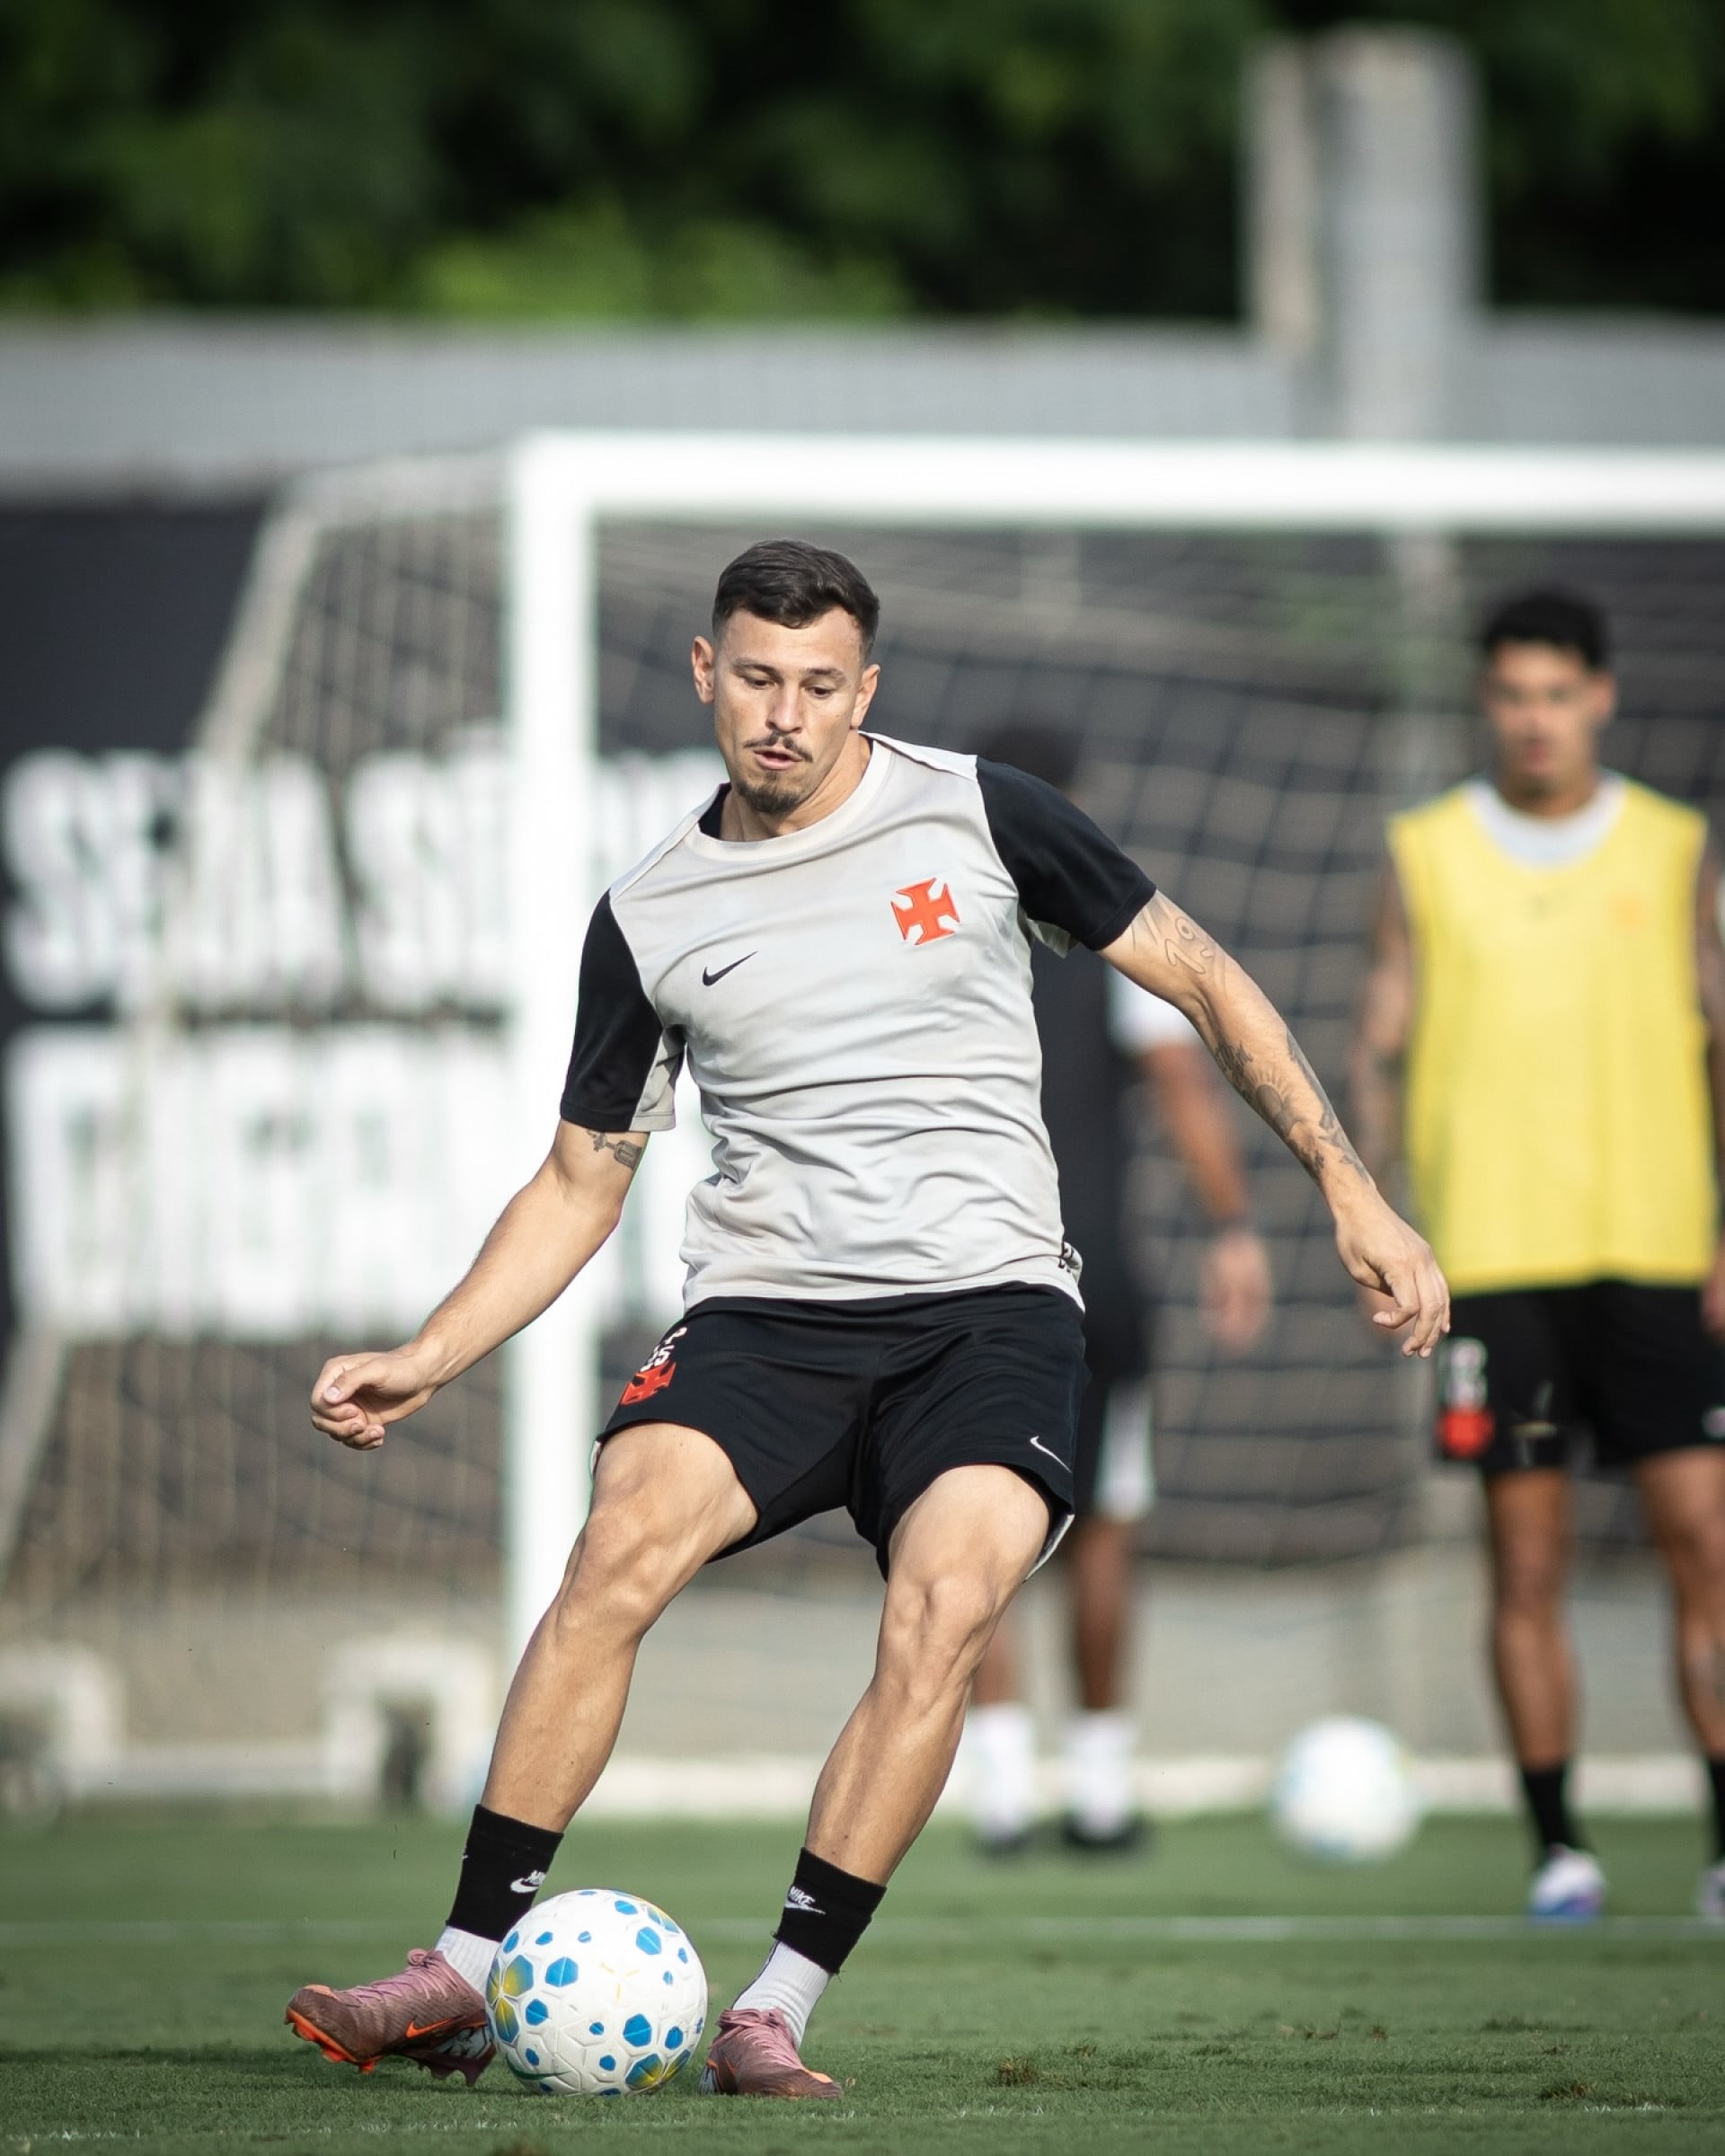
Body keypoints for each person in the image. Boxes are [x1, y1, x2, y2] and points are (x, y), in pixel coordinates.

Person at [285, 540, 1446, 2100]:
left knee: (947, 1602)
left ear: (866, 690)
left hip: (993, 1317)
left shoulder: (981, 814)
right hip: (768, 1321)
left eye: (820, 685)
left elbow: (1205, 979)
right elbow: (580, 1179)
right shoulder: (648, 915)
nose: (786, 715)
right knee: (619, 1540)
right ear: (707, 674)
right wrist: (430, 1351)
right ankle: (464, 1971)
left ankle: (772, 2009)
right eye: (756, 678)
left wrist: (1346, 1186)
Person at [1349, 587, 1725, 1922]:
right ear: (1487, 704)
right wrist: (1381, 1211)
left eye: (1558, 694)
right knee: (1526, 1562)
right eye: (1512, 695)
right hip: (1494, 1263)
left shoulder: (1675, 850)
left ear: (1600, 698)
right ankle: (1562, 1853)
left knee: (1706, 1546)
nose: (1535, 719)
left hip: (1657, 1250)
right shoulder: (1429, 849)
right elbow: (1382, 1043)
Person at [963, 722, 1271, 1853]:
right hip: (1093, 1283)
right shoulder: (1115, 930)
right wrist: (1233, 1227)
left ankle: (1002, 1792)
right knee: (1103, 1530)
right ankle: (1097, 1789)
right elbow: (1185, 1086)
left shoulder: (929, 927)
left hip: (966, 1279)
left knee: (966, 1527)